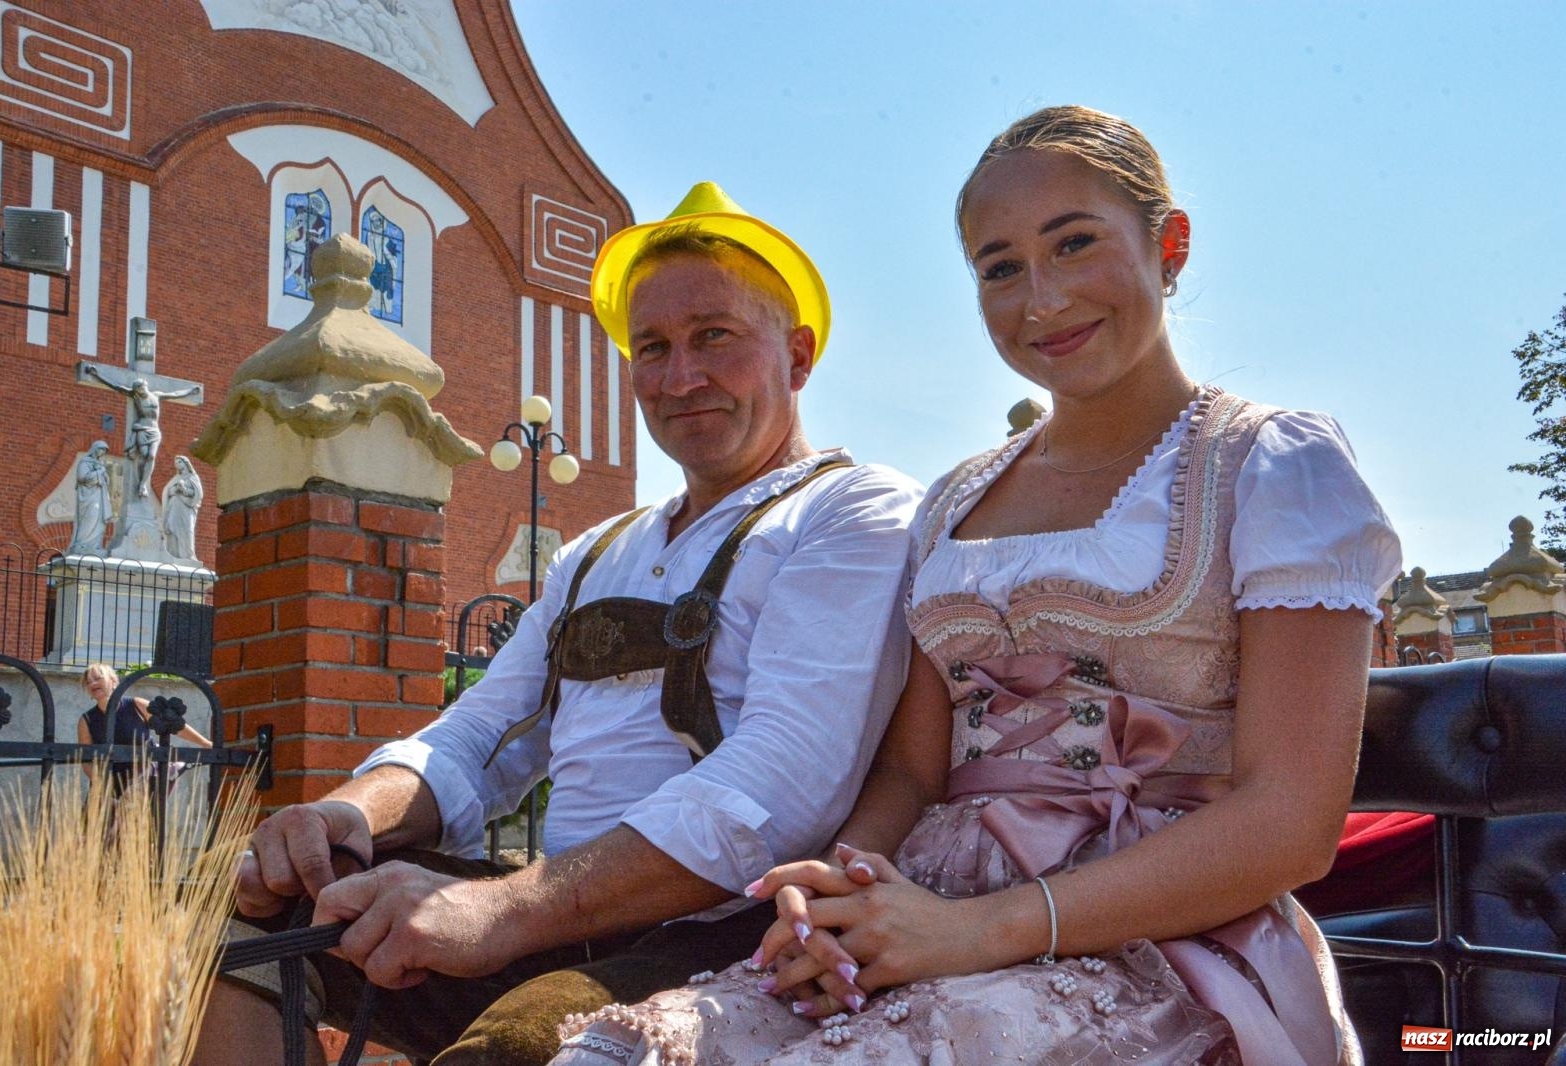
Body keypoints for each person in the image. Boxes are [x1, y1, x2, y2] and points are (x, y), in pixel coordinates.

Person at [553, 106, 1401, 1066]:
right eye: (1000, 268)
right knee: (617, 1054)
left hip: (1156, 940)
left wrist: (978, 931)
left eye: (1074, 244)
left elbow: (1292, 821)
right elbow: (917, 772)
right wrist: (840, 885)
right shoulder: (956, 497)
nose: (1040, 300)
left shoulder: (1273, 466)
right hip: (925, 910)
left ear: (1170, 245)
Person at [193, 182, 922, 1066]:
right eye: (651, 347)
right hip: (553, 917)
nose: (679, 376)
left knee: (522, 1046)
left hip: (725, 933)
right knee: (241, 925)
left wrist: (504, 910)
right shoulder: (594, 550)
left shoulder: (853, 510)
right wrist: (350, 815)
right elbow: (482, 735)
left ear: (798, 356)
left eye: (714, 338)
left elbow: (783, 780)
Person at [75, 662, 212, 796]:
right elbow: (86, 760)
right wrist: (102, 785)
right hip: (111, 781)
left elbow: (174, 725)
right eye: (88, 682)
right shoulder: (86, 720)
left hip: (144, 776)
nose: (92, 683)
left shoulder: (136, 705)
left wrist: (205, 743)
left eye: (98, 678)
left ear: (113, 681)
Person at [83, 366, 202, 497]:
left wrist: (191, 391)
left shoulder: (157, 395)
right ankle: (139, 483)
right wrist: (97, 375)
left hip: (154, 431)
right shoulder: (136, 396)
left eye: (142, 387)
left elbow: (175, 394)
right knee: (143, 455)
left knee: (151, 456)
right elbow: (116, 386)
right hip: (142, 429)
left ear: (146, 385)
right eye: (138, 389)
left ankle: (143, 484)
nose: (141, 390)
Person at [68, 440, 113, 556]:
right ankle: (82, 544)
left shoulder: (100, 464)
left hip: (99, 496)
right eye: (101, 449)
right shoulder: (84, 462)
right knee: (90, 517)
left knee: (99, 521)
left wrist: (104, 474)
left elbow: (106, 481)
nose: (102, 452)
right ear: (94, 449)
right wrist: (99, 472)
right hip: (88, 497)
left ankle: (94, 545)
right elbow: (82, 477)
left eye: (104, 450)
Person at [162, 455, 204, 562]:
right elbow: (168, 492)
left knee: (188, 530)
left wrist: (184, 490)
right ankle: (174, 554)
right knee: (173, 528)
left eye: (179, 462)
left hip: (187, 508)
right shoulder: (175, 479)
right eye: (176, 463)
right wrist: (175, 489)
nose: (177, 465)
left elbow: (198, 494)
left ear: (186, 463)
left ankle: (188, 555)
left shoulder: (193, 477)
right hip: (174, 508)